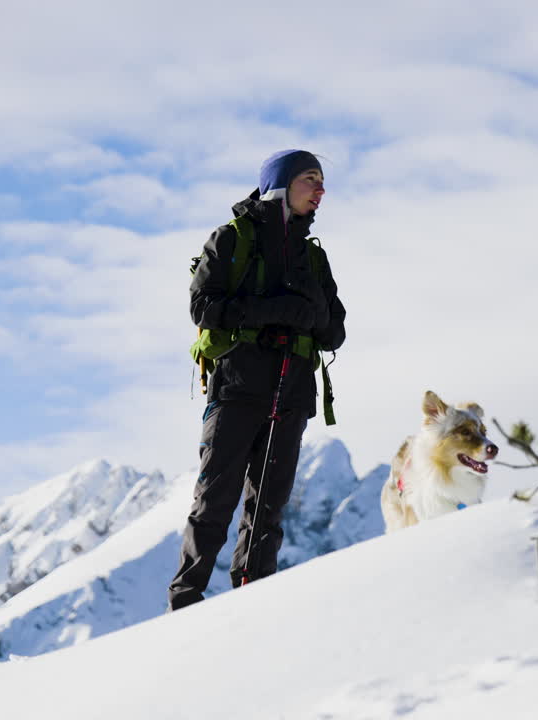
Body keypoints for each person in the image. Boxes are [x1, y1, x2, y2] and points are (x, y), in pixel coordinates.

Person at [168, 150, 346, 611]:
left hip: (292, 393)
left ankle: (252, 607)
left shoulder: (313, 256)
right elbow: (202, 306)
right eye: (312, 179)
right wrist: (275, 312)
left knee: (269, 508)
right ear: (284, 183)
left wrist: (310, 318)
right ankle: (183, 606)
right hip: (237, 387)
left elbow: (336, 331)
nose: (322, 191)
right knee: (215, 501)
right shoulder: (232, 239)